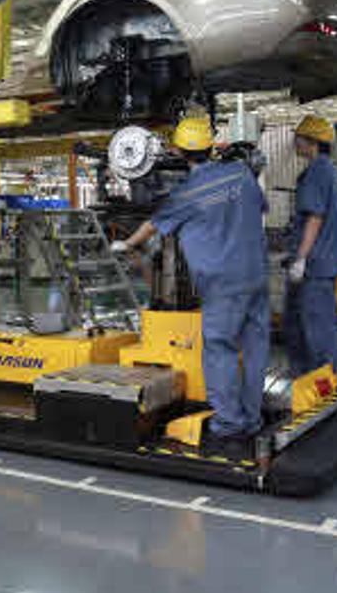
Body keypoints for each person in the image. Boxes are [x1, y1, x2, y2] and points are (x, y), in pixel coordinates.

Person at [112, 117, 269, 459]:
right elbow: (260, 207)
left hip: (223, 283)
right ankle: (253, 418)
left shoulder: (187, 192)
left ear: (181, 152)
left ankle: (229, 425)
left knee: (220, 349)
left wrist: (126, 245)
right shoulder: (242, 174)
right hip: (256, 276)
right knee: (255, 349)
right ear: (211, 147)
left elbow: (153, 225)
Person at [284, 113, 337, 377]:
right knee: (296, 323)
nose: (294, 143)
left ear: (312, 142)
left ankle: (323, 382)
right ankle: (304, 378)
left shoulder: (319, 170)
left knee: (317, 327)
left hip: (315, 265)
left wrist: (301, 259)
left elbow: (315, 217)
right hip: (316, 264)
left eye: (298, 138)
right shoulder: (322, 170)